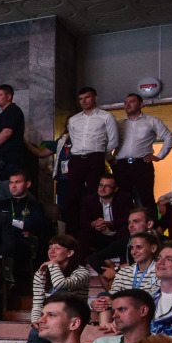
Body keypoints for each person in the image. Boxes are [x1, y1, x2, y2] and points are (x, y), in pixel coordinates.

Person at [61, 87, 120, 239]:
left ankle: (93, 234)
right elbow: (73, 138)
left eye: (87, 97)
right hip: (76, 159)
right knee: (72, 197)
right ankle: (71, 236)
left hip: (96, 157)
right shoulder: (74, 119)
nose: (84, 101)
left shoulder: (106, 117)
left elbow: (113, 140)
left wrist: (103, 154)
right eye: (81, 99)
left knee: (93, 196)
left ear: (95, 98)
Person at [111, 92, 172, 209]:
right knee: (122, 200)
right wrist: (109, 158)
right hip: (120, 165)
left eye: (132, 102)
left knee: (146, 199)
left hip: (142, 164)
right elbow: (107, 141)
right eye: (125, 103)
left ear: (141, 104)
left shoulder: (152, 121)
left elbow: (169, 137)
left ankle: (150, 227)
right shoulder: (119, 124)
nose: (127, 105)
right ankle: (125, 227)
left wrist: (159, 156)